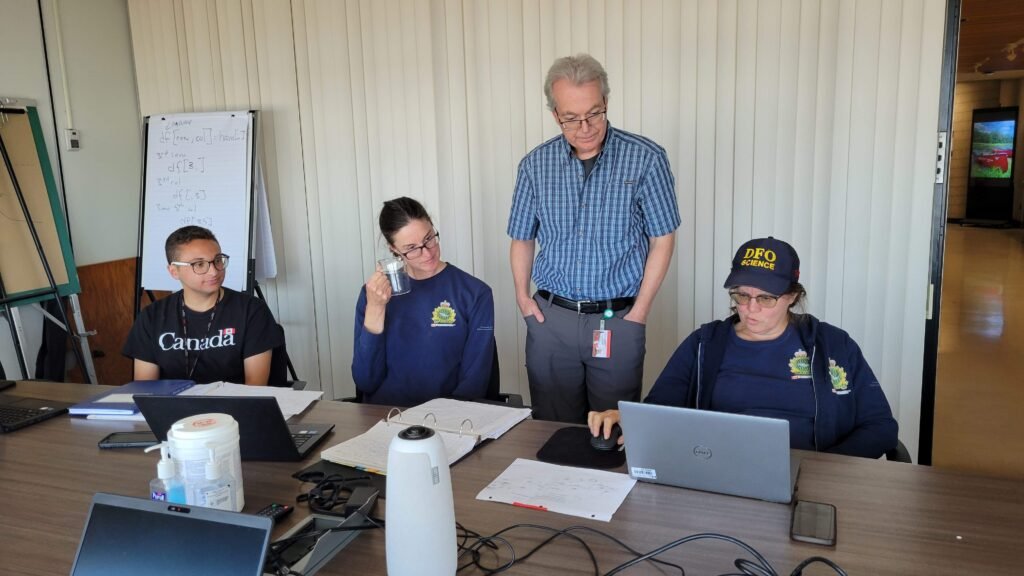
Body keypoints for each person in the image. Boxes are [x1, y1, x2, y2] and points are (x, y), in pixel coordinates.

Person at [588, 237, 899, 459]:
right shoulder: (705, 345)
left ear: (791, 296)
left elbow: (881, 427)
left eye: (765, 298)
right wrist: (629, 418)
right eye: (741, 296)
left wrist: (825, 471)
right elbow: (661, 409)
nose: (750, 309)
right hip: (718, 474)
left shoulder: (833, 345)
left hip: (813, 481)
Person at [507, 53, 681, 423]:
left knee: (613, 431)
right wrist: (524, 299)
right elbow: (522, 238)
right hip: (551, 319)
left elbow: (662, 239)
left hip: (617, 318)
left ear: (606, 103)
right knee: (552, 430)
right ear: (555, 114)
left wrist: (639, 313)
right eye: (571, 117)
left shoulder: (646, 159)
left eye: (594, 113)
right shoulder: (534, 166)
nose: (584, 126)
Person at [352, 197, 495, 406]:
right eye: (412, 248)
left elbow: (474, 384)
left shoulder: (474, 293)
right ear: (393, 249)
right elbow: (366, 381)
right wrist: (375, 307)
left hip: (447, 418)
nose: (427, 253)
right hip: (385, 417)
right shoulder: (373, 294)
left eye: (429, 238)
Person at [123, 226, 284, 385]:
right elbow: (145, 388)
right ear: (174, 271)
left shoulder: (251, 310)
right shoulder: (152, 317)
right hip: (172, 408)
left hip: (232, 408)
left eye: (218, 260)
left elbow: (255, 387)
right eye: (199, 264)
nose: (214, 271)